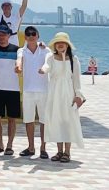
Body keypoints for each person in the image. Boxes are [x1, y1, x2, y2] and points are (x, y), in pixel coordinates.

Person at [39, 32, 85, 162]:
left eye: (63, 43)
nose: (60, 45)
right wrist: (43, 70)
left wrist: (78, 94)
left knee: (67, 121)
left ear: (67, 45)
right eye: (58, 43)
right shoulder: (50, 57)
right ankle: (59, 151)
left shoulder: (74, 60)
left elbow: (76, 79)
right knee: (57, 120)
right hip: (54, 93)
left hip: (68, 93)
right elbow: (47, 66)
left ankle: (67, 152)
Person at [0, 22, 22, 155]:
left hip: (13, 89)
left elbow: (21, 58)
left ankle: (10, 145)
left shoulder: (17, 49)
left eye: (4, 34)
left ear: (9, 35)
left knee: (12, 119)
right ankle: (0, 144)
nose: (1, 37)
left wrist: (18, 66)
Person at [16, 25, 49, 158]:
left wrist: (44, 69)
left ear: (37, 36)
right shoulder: (21, 51)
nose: (31, 36)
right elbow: (19, 60)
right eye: (28, 34)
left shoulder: (45, 50)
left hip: (43, 90)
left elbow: (50, 61)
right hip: (28, 90)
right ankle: (31, 147)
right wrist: (18, 67)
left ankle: (43, 148)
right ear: (25, 37)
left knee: (44, 121)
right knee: (29, 120)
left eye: (33, 34)